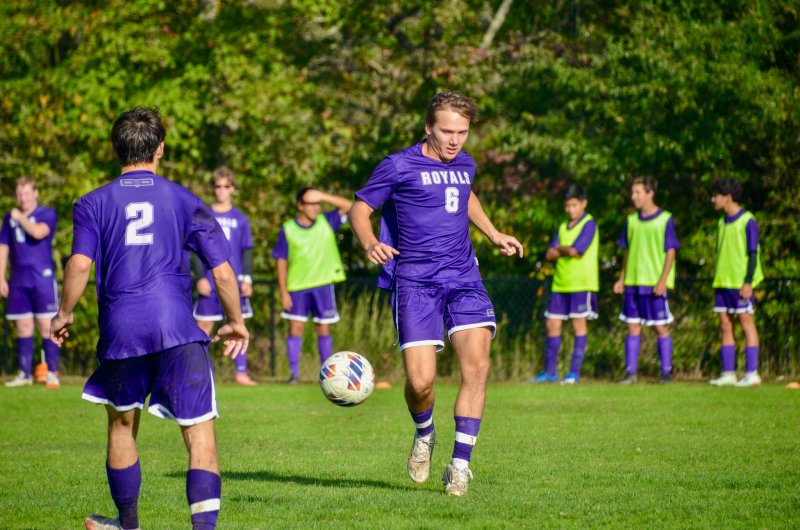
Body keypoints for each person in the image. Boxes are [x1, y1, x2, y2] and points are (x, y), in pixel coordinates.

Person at [50, 107, 248, 530]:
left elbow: (80, 265)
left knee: (122, 426)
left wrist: (63, 314)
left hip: (122, 329)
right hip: (176, 328)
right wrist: (235, 320)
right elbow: (224, 272)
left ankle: (128, 525)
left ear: (116, 149)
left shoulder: (91, 203)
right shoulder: (184, 199)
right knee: (199, 436)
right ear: (160, 148)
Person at [350, 92, 523, 496]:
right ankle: (424, 432)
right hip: (415, 282)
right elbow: (359, 209)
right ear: (428, 126)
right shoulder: (398, 165)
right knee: (421, 382)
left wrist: (493, 233)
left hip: (464, 276)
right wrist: (369, 242)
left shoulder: (465, 163)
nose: (455, 140)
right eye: (446, 131)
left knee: (477, 368)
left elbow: (464, 196)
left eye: (462, 132)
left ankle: (460, 465)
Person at [272, 188, 352, 383]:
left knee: (323, 329)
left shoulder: (327, 221)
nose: (316, 207)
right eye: (311, 203)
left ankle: (327, 374)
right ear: (300, 205)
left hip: (323, 285)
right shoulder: (288, 228)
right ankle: (294, 375)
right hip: (297, 286)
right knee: (295, 328)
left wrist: (323, 195)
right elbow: (281, 260)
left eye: (318, 204)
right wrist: (283, 291)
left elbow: (349, 206)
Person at [192, 166, 257, 386]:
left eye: (226, 186)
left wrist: (247, 279)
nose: (221, 190)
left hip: (234, 283)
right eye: (217, 186)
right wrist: (200, 276)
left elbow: (246, 250)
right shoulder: (203, 215)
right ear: (212, 188)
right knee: (203, 327)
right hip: (210, 282)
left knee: (239, 323)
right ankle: (198, 373)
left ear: (233, 189)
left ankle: (241, 372)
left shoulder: (241, 219)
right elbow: (195, 249)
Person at [529, 184, 598, 385]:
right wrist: (562, 249)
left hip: (581, 283)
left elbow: (577, 250)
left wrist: (560, 249)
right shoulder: (562, 227)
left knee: (579, 326)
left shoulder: (589, 224)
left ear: (584, 203)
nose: (570, 209)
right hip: (560, 283)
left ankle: (573, 373)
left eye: (574, 205)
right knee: (552, 325)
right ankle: (550, 373)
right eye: (567, 206)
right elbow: (550, 254)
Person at [613, 176, 679, 384]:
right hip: (633, 282)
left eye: (637, 192)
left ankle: (666, 373)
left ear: (650, 193)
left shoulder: (665, 219)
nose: (633, 197)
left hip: (653, 284)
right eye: (633, 193)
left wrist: (663, 280)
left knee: (660, 327)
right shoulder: (631, 220)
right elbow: (627, 251)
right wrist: (621, 278)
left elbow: (671, 251)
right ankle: (630, 373)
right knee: (632, 327)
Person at [1, 177, 61, 388]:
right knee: (23, 326)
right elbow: (3, 248)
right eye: (19, 194)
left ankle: (52, 372)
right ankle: (24, 374)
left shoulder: (47, 214)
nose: (22, 198)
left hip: (42, 279)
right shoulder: (9, 218)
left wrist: (20, 217)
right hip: (18, 280)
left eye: (26, 193)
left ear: (35, 193)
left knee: (47, 326)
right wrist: (1, 277)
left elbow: (38, 232)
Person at [708, 179, 764, 387]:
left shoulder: (748, 220)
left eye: (716, 196)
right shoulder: (721, 222)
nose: (712, 199)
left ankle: (752, 373)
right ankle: (728, 373)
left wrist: (748, 282)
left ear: (728, 197)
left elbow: (752, 253)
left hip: (741, 283)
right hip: (722, 281)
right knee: (725, 326)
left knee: (746, 324)